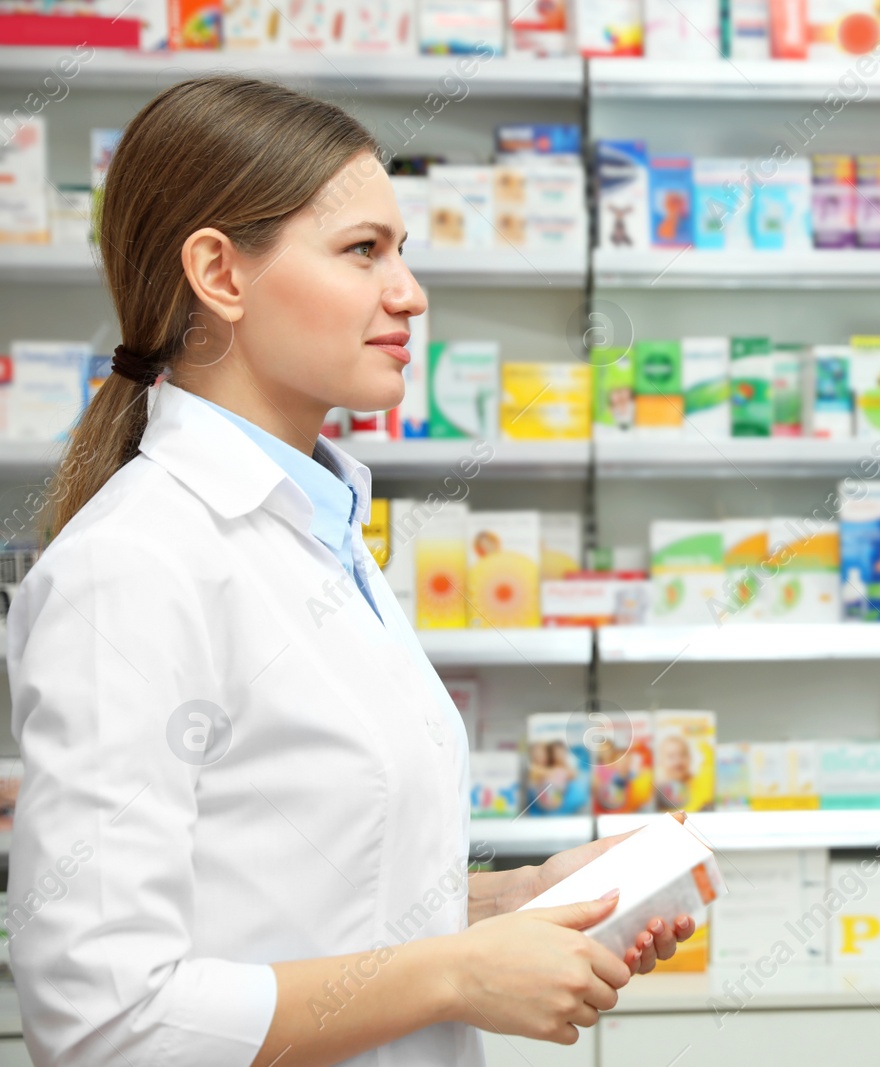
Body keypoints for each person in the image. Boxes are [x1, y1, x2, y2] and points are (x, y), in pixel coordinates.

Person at [5, 75, 692, 1067]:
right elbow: (106, 1018)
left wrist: (527, 898)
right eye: (362, 250)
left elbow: (305, 895)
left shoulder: (319, 526)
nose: (409, 292)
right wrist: (457, 974)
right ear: (220, 274)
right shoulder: (135, 566)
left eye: (401, 251)